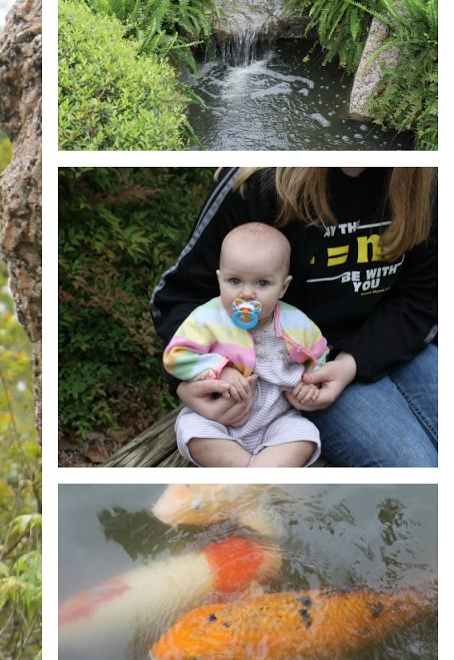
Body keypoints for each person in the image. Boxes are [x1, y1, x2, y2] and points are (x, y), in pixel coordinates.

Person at [152, 166, 437, 466]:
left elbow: (423, 297)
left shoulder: (427, 181)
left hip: (395, 343)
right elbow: (178, 298)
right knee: (419, 466)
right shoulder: (260, 183)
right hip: (300, 380)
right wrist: (187, 382)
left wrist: (352, 364)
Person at [166, 222, 328, 467]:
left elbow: (319, 354)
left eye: (262, 283)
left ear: (283, 287)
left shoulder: (296, 323)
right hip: (218, 418)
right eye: (235, 281)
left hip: (276, 418)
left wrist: (311, 384)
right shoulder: (207, 318)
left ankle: (250, 478)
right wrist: (222, 370)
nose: (247, 294)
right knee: (192, 431)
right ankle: (253, 476)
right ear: (219, 279)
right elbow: (176, 356)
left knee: (304, 436)